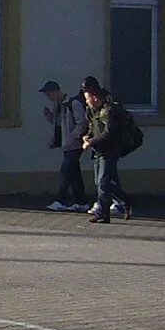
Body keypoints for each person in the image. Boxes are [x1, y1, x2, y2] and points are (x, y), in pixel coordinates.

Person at [81, 76, 137, 222]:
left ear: (94, 97)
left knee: (104, 183)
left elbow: (109, 134)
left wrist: (91, 142)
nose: (86, 102)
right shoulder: (93, 110)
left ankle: (103, 214)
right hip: (99, 150)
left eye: (87, 98)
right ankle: (126, 201)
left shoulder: (110, 110)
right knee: (100, 182)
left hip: (111, 149)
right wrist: (88, 136)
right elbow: (93, 127)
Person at [39, 80, 89, 210]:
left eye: (49, 94)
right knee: (74, 173)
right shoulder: (58, 106)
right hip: (66, 144)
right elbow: (58, 124)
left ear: (56, 92)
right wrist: (49, 116)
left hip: (75, 145)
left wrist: (73, 136)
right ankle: (81, 202)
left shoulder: (73, 104)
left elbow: (82, 123)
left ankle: (61, 200)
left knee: (66, 170)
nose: (48, 97)